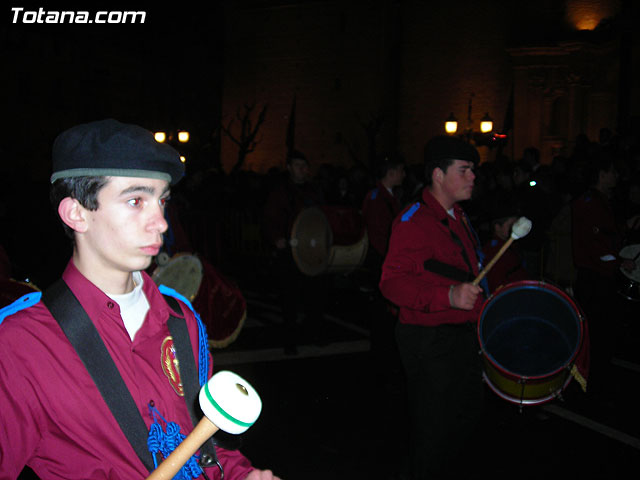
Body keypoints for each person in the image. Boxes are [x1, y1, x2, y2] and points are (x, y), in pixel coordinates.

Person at [0, 119, 280, 480]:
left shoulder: (182, 318)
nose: (161, 222)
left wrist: (244, 476)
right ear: (76, 213)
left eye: (161, 200)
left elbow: (207, 448)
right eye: (136, 200)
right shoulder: (21, 344)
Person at [380, 135, 486, 480]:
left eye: (473, 171)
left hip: (462, 337)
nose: (472, 177)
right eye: (464, 170)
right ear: (438, 175)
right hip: (430, 341)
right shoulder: (414, 221)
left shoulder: (459, 217)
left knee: (462, 426)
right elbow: (392, 282)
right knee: (433, 435)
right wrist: (448, 297)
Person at [262, 151, 327, 353]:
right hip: (290, 251)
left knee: (314, 295)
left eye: (304, 166)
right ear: (289, 168)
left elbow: (320, 217)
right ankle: (290, 341)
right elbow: (270, 219)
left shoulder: (313, 191)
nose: (303, 170)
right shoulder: (280, 192)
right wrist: (277, 239)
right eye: (298, 165)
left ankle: (313, 333)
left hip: (311, 251)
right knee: (289, 299)